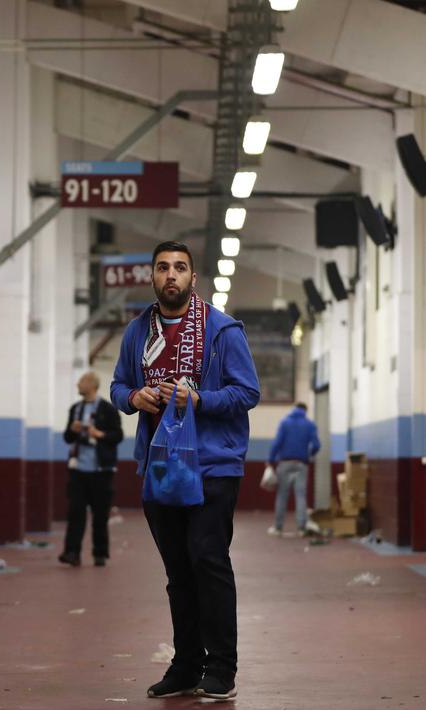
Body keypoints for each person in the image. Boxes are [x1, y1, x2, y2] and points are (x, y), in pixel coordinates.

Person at [111, 240, 260, 701]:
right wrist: (135, 398)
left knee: (208, 560)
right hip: (161, 465)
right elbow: (118, 385)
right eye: (162, 268)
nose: (170, 275)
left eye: (179, 268)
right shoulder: (139, 331)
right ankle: (185, 665)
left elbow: (247, 392)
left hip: (213, 464)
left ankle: (221, 667)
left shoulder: (222, 330)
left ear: (193, 279)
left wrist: (200, 400)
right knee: (178, 570)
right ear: (152, 278)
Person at [59, 371, 123, 567]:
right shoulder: (75, 409)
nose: (78, 384)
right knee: (75, 512)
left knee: (100, 515)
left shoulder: (107, 409)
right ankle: (72, 553)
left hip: (101, 470)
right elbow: (67, 438)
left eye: (81, 381)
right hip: (78, 469)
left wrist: (100, 434)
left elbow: (117, 435)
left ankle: (100, 553)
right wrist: (73, 430)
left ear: (92, 385)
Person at [266, 403, 322, 537]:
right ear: (305, 410)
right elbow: (316, 445)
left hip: (284, 463)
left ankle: (278, 528)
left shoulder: (284, 422)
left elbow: (277, 442)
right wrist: (309, 455)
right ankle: (302, 528)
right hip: (301, 464)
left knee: (282, 496)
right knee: (301, 496)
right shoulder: (309, 424)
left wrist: (270, 460)